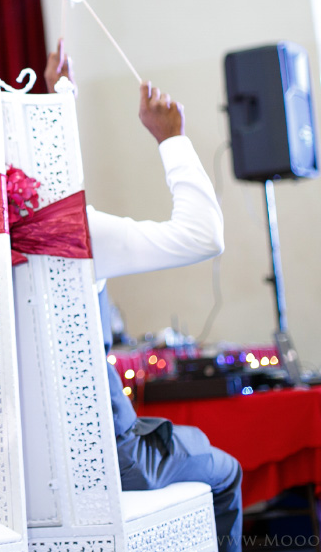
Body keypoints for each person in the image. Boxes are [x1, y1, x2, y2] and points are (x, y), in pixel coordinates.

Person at [46, 41, 243, 552]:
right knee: (225, 469)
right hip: (106, 455)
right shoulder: (73, 229)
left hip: (4, 460)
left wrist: (57, 101)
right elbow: (203, 236)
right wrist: (171, 139)